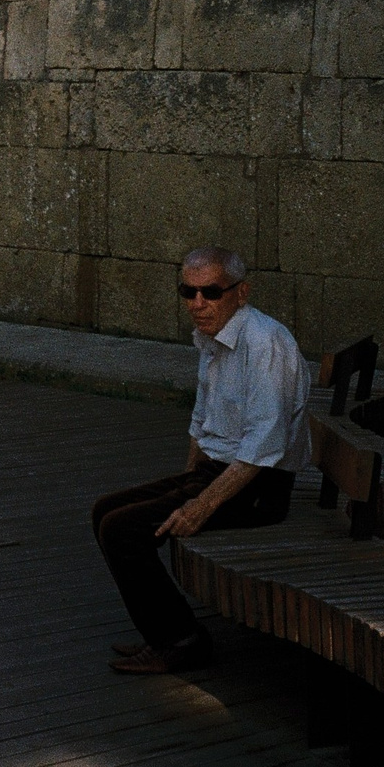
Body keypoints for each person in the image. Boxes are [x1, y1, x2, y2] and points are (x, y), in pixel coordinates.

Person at [94, 246, 310, 675]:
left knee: (123, 529)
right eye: (187, 292)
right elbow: (203, 418)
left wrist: (201, 504)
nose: (197, 304)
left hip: (258, 487)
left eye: (210, 292)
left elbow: (262, 449)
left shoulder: (264, 342)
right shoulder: (214, 336)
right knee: (105, 510)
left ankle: (181, 640)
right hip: (221, 471)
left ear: (241, 292)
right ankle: (164, 632)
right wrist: (186, 479)